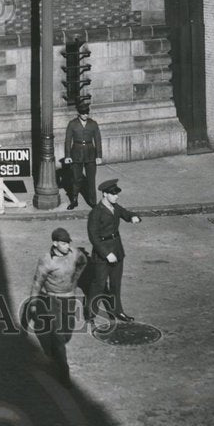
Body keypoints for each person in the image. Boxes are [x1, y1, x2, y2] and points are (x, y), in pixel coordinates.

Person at [28, 227, 88, 387]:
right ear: (55, 243)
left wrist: (74, 281)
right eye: (63, 243)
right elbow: (37, 283)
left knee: (67, 334)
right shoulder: (46, 260)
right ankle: (64, 372)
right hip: (52, 299)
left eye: (68, 243)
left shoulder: (75, 253)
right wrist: (33, 305)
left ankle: (56, 347)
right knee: (59, 335)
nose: (67, 246)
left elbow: (83, 262)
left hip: (69, 298)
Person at [87, 180, 141, 323]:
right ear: (104, 194)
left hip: (117, 250)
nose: (116, 196)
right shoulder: (96, 212)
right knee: (99, 284)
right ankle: (90, 313)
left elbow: (125, 213)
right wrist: (106, 254)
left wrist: (133, 217)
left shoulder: (115, 207)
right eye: (113, 194)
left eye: (117, 194)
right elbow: (93, 237)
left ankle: (119, 311)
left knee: (116, 284)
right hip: (102, 254)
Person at [64, 102, 103, 209]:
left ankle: (92, 202)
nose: (86, 115)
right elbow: (68, 140)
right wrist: (67, 156)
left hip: (90, 154)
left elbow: (98, 140)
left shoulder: (93, 124)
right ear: (79, 113)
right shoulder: (72, 124)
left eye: (87, 113)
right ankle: (74, 200)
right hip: (76, 153)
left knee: (91, 180)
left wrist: (99, 156)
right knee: (76, 179)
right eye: (83, 113)